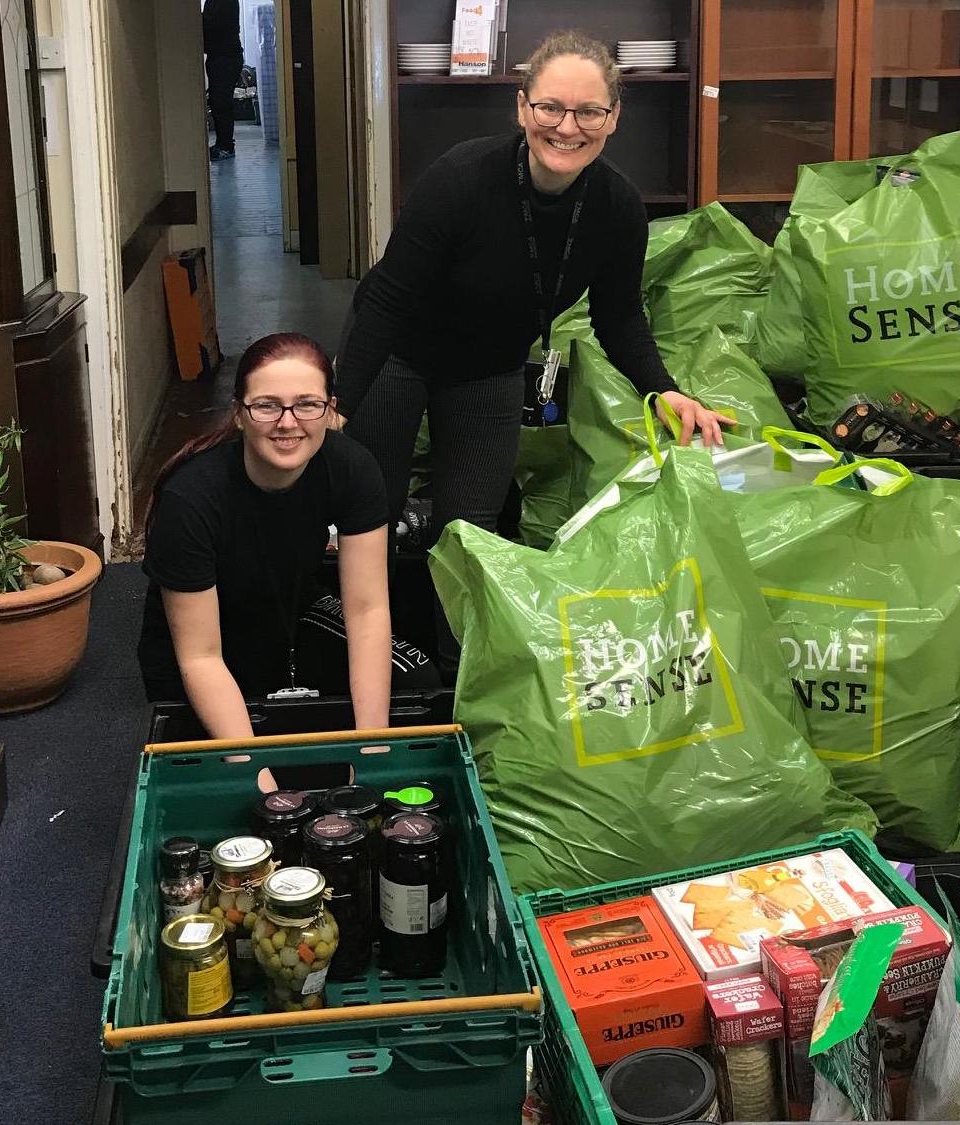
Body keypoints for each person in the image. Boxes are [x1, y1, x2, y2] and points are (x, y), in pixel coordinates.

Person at [333, 29, 731, 667]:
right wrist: (339, 405)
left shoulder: (617, 207)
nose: (566, 127)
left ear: (613, 118)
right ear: (522, 108)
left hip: (489, 367)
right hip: (396, 353)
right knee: (369, 516)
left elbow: (620, 315)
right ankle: (363, 666)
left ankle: (454, 681)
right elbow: (387, 299)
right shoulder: (461, 177)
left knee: (470, 532)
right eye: (550, 107)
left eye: (588, 112)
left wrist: (664, 389)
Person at [138, 332, 439, 739]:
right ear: (239, 414)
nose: (287, 422)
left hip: (292, 610)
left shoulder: (353, 470)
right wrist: (258, 778)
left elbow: (367, 611)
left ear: (331, 411)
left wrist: (373, 746)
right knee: (224, 762)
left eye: (307, 405)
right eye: (266, 406)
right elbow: (200, 657)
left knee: (413, 682)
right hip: (205, 644)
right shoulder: (191, 499)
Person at [203, 0, 244, 160]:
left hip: (226, 57)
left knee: (221, 102)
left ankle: (226, 146)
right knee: (218, 102)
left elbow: (212, 23)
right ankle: (223, 144)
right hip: (221, 56)